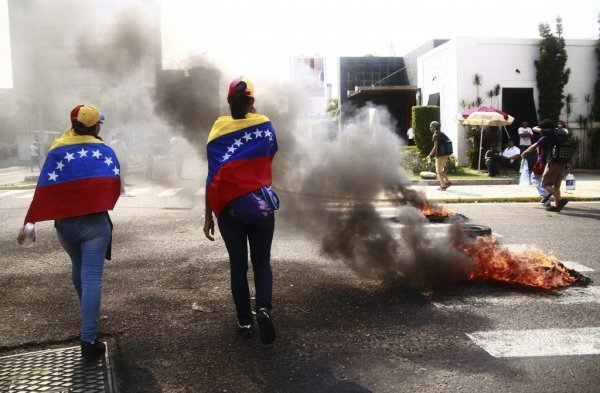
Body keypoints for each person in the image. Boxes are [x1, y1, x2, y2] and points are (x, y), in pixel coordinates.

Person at [16, 104, 121, 360]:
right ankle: (88, 339)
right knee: (92, 279)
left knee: (79, 268)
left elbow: (44, 187)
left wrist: (30, 221)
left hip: (65, 226)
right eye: (100, 123)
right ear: (96, 126)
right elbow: (115, 184)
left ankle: (89, 317)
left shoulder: (57, 149)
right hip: (94, 225)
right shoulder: (103, 150)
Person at [203, 77, 278, 344]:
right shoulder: (264, 124)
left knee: (238, 265)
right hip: (260, 206)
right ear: (251, 101)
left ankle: (245, 321)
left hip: (228, 209)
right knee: (261, 262)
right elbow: (269, 153)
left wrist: (207, 215)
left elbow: (212, 175)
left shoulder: (218, 129)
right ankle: (264, 309)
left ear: (228, 100)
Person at [537, 119, 570, 212]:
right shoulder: (562, 133)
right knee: (556, 186)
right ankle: (557, 207)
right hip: (563, 162)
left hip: (553, 162)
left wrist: (540, 127)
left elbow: (534, 128)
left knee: (545, 184)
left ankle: (560, 200)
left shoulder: (550, 132)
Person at [521, 135, 550, 206]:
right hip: (553, 162)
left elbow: (533, 146)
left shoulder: (545, 138)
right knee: (547, 181)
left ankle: (545, 196)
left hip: (542, 162)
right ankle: (556, 201)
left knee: (535, 178)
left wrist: (525, 152)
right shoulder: (556, 137)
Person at [426, 121, 452, 190]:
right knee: (441, 169)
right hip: (445, 154)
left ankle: (443, 186)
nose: (430, 128)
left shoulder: (436, 135)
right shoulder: (441, 133)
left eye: (431, 127)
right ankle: (447, 181)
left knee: (438, 171)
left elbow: (435, 147)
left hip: (440, 155)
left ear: (434, 128)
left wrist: (430, 155)